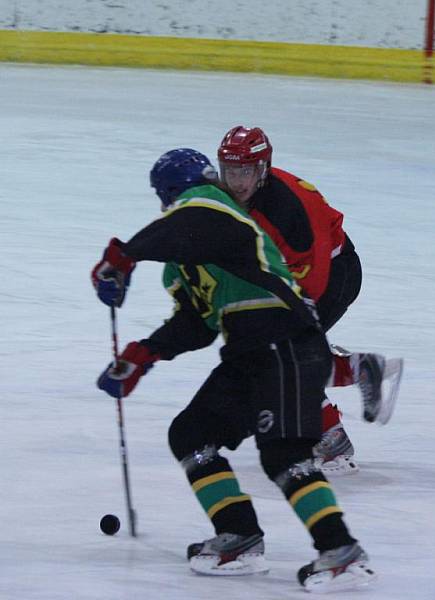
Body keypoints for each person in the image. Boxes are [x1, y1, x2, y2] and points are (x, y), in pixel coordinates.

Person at [91, 148, 376, 591]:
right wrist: (143, 355)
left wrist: (127, 254)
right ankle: (239, 537)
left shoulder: (214, 207)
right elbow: (197, 324)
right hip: (252, 352)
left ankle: (340, 553)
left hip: (285, 342)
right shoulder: (186, 253)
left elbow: (194, 224)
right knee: (191, 434)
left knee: (283, 455)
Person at [216, 125, 403, 475]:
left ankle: (331, 440)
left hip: (334, 274)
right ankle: (362, 369)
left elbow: (311, 278)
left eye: (245, 172)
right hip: (293, 271)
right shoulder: (235, 193)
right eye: (231, 171)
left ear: (263, 169)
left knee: (280, 355)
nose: (237, 181)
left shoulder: (289, 214)